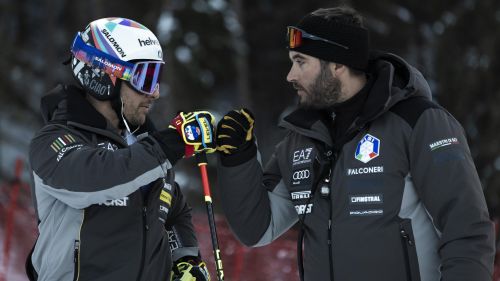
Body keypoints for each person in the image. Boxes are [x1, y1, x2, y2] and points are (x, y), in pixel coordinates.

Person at [214, 6, 496, 281]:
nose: (291, 75)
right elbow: (258, 229)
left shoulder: (418, 122)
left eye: (300, 62)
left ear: (337, 64)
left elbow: (467, 230)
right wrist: (238, 159)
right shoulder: (302, 137)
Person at [26, 17, 215, 281]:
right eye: (145, 78)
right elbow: (96, 177)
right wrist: (168, 145)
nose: (155, 93)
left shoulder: (143, 146)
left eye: (156, 77)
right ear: (105, 75)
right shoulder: (54, 141)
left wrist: (184, 259)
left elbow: (173, 210)